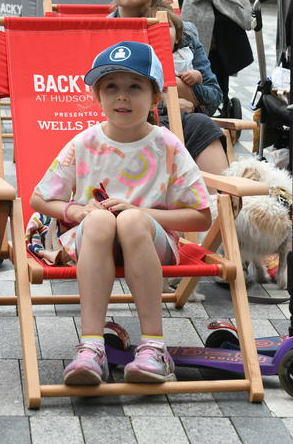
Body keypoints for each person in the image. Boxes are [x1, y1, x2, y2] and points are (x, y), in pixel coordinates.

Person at [31, 40, 211, 386]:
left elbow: (201, 216)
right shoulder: (84, 144)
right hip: (94, 240)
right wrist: (78, 210)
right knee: (99, 218)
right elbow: (41, 200)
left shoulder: (166, 145)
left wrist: (143, 213)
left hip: (152, 242)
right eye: (111, 87)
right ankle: (92, 346)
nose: (122, 97)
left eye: (135, 87)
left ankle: (154, 347)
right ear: (97, 97)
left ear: (155, 97)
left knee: (130, 219)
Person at [104, 0, 228, 177]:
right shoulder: (100, 33)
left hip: (175, 125)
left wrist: (175, 90)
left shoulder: (184, 32)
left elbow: (214, 98)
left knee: (201, 124)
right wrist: (169, 98)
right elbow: (84, 98)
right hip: (116, 128)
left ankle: (220, 207)